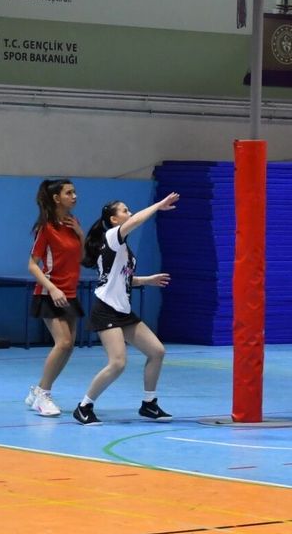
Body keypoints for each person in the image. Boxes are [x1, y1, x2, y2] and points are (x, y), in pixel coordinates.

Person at [72, 193, 179, 425]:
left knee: (156, 351)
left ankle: (149, 404)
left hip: (123, 311)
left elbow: (123, 279)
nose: (129, 213)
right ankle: (84, 407)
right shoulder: (112, 236)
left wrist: (147, 280)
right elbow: (137, 220)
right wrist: (158, 206)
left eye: (129, 210)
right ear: (113, 219)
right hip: (106, 309)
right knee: (118, 363)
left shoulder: (124, 251)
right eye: (124, 211)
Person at [24, 179, 84, 417]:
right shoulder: (46, 228)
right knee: (64, 343)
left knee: (69, 348)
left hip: (71, 293)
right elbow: (32, 265)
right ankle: (43, 394)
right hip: (50, 293)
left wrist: (80, 234)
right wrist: (52, 288)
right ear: (57, 198)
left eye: (75, 192)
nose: (74, 196)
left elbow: (82, 259)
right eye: (69, 193)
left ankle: (38, 390)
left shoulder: (73, 224)